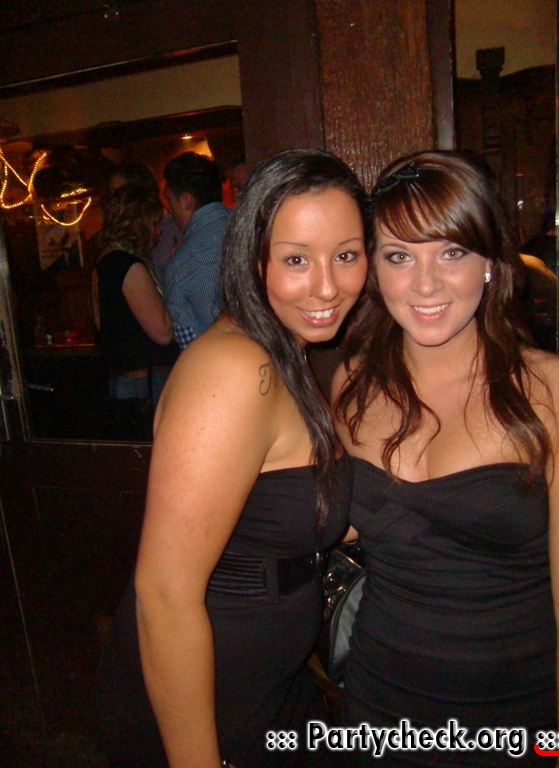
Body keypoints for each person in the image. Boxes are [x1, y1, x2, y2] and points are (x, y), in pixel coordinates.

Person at [94, 147, 369, 768]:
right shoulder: (234, 368)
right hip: (208, 710)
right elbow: (164, 594)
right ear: (253, 257)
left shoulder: (282, 352)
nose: (328, 286)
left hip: (268, 689)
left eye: (346, 255)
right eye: (296, 259)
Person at [332, 150, 559, 767]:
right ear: (374, 269)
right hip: (376, 712)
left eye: (451, 253)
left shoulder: (556, 393)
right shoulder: (352, 383)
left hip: (514, 724)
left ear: (491, 262)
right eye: (399, 256)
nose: (425, 285)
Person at [92, 183, 176, 439]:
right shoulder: (129, 266)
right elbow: (163, 332)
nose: (157, 233)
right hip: (143, 381)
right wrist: (175, 277)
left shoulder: (103, 264)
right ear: (138, 224)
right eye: (154, 224)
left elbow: (101, 326)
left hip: (123, 380)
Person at [161, 151, 231, 351]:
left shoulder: (179, 266)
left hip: (224, 364)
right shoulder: (253, 227)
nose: (169, 210)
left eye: (170, 200)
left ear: (186, 200)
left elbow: (191, 347)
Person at [107, 161, 183, 283]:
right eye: (112, 193)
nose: (115, 202)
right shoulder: (118, 240)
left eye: (121, 194)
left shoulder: (172, 229)